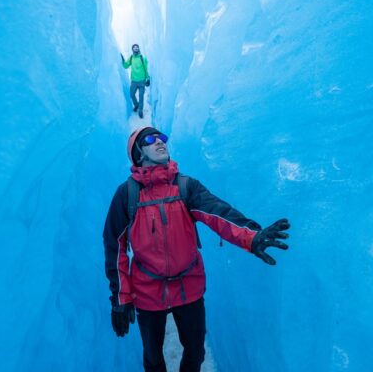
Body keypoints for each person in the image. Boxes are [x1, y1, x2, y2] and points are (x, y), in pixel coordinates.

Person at [103, 126, 291, 372]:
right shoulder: (127, 195)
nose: (160, 142)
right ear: (138, 152)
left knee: (195, 351)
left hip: (188, 286)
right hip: (148, 291)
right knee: (152, 357)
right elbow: (114, 246)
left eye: (162, 137)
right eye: (150, 139)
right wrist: (121, 297)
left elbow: (219, 214)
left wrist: (251, 237)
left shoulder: (185, 187)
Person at [121, 44, 150, 118]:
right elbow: (125, 66)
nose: (136, 48)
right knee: (132, 94)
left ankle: (140, 110)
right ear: (132, 49)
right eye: (134, 47)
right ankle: (136, 105)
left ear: (139, 49)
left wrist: (148, 78)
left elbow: (146, 69)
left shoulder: (142, 58)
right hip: (134, 81)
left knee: (141, 96)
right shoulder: (131, 58)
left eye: (137, 47)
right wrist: (123, 60)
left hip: (142, 81)